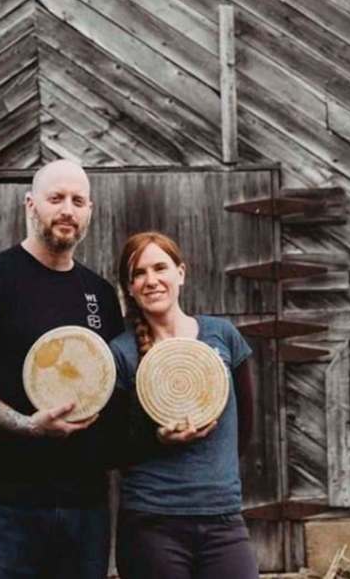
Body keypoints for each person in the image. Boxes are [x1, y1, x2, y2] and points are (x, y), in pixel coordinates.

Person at [0, 159, 124, 579]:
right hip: (0, 509)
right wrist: (25, 425)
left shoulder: (101, 295)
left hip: (83, 511)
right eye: (56, 198)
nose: (67, 209)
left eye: (78, 200)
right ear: (30, 205)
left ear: (90, 211)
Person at [110, 231, 258, 579]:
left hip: (223, 520)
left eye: (160, 267)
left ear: (181, 273)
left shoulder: (222, 336)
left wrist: (212, 479)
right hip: (152, 523)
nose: (151, 280)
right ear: (129, 288)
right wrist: (158, 439)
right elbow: (112, 449)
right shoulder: (121, 352)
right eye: (138, 274)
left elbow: (245, 427)